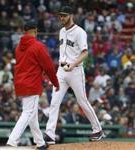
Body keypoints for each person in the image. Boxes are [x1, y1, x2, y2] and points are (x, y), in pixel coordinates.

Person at [44, 6, 105, 144]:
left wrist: (73, 64)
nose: (62, 18)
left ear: (71, 15)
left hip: (75, 70)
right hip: (61, 71)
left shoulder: (80, 32)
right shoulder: (61, 31)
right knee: (54, 102)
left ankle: (98, 129)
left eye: (64, 15)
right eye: (61, 16)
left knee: (82, 101)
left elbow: (85, 52)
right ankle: (50, 135)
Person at [6, 20, 59, 150]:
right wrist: (55, 82)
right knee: (28, 112)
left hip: (20, 83)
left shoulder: (19, 46)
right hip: (32, 83)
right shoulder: (38, 46)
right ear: (35, 31)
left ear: (25, 31)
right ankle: (12, 141)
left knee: (32, 114)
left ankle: (40, 142)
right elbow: (49, 67)